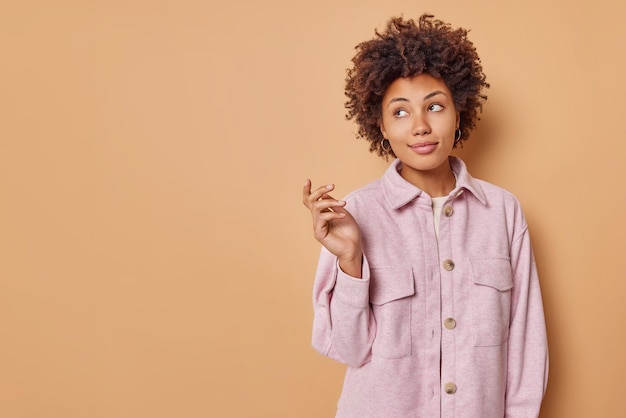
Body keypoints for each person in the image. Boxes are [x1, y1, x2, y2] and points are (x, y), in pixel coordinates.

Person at [301, 14, 548, 418]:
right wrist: (350, 262)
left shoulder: (503, 213)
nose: (419, 126)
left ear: (458, 112)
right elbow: (346, 349)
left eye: (434, 106)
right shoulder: (355, 214)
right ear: (379, 125)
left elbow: (525, 345)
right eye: (400, 112)